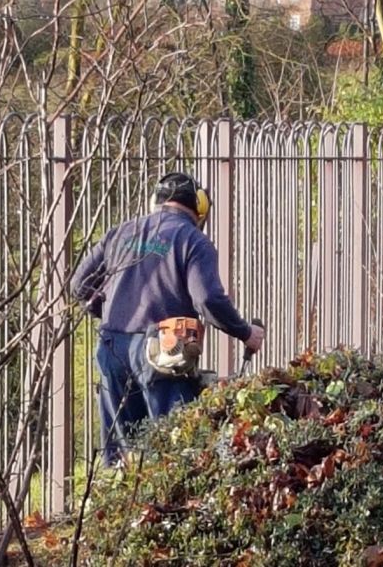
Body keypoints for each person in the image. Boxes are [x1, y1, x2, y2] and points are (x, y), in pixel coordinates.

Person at [71, 171, 264, 466]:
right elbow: (208, 299)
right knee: (172, 453)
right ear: (199, 208)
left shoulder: (119, 233)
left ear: (155, 201)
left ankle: (121, 507)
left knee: (122, 456)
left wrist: (106, 310)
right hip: (165, 349)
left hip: (112, 347)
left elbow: (79, 285)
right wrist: (244, 332)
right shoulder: (193, 240)